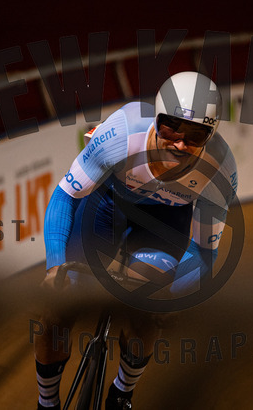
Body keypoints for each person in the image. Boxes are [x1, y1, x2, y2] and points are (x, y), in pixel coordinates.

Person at [35, 71, 238, 410]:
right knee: (59, 307)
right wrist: (55, 264)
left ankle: (122, 392)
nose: (180, 143)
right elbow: (66, 196)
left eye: (195, 135)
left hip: (162, 225)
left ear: (211, 135)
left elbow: (204, 251)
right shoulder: (123, 133)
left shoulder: (219, 171)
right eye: (171, 128)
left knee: (149, 305)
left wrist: (174, 296)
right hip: (105, 207)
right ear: (156, 120)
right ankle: (47, 402)